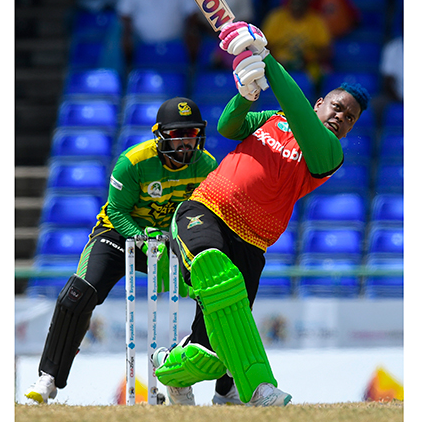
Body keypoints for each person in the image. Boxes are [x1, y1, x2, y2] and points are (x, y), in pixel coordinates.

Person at [150, 21, 371, 407]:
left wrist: (267, 60)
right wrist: (246, 95)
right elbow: (228, 126)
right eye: (337, 107)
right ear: (320, 103)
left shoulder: (328, 154)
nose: (341, 117)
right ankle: (259, 389)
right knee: (215, 271)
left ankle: (171, 369)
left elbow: (298, 113)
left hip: (253, 242)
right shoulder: (272, 118)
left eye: (350, 117)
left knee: (213, 345)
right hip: (207, 210)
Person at [24, 97, 219, 404]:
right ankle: (49, 377)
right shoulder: (134, 162)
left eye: (191, 134)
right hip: (118, 235)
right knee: (79, 293)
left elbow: (204, 214)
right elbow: (117, 212)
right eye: (178, 135)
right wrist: (141, 236)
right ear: (161, 136)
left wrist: (171, 239)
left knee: (214, 290)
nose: (185, 143)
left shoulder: (206, 166)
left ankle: (185, 376)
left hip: (169, 241)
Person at [261, 0, 333, 83]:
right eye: (294, 1)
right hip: (279, 63)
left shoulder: (316, 20)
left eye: (301, 2)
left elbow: (326, 49)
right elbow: (264, 46)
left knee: (319, 74)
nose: (297, 6)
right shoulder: (276, 17)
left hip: (307, 65)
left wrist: (309, 59)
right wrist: (278, 61)